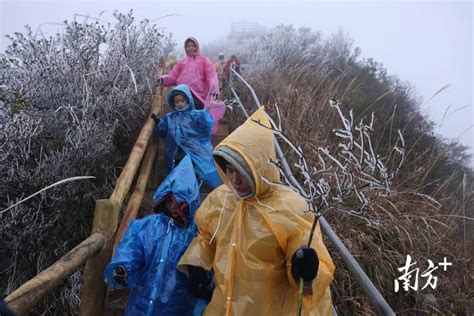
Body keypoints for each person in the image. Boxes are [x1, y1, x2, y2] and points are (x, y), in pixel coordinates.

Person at [177, 107, 335, 315]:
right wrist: (198, 262)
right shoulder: (221, 199)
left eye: (242, 171)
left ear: (260, 167)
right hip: (223, 306)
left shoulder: (290, 209)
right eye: (230, 171)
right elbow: (207, 235)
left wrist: (305, 273)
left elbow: (310, 276)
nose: (235, 180)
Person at [104, 156, 209, 316]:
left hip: (178, 306)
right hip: (141, 304)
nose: (173, 207)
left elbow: (207, 265)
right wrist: (123, 267)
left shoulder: (197, 232)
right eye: (169, 201)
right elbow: (131, 249)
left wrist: (202, 281)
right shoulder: (146, 226)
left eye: (178, 202)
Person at [152, 84, 221, 188]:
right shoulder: (170, 117)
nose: (179, 104)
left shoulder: (195, 115)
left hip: (190, 153)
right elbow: (163, 132)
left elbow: (206, 128)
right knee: (176, 173)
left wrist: (204, 115)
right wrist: (158, 122)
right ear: (173, 102)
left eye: (182, 101)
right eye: (177, 101)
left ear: (188, 100)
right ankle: (179, 193)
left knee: (191, 172)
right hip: (174, 153)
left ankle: (193, 189)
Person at [160, 37, 219, 110]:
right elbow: (173, 77)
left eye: (193, 46)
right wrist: (163, 80)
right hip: (183, 94)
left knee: (196, 115)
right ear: (185, 48)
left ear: (197, 47)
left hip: (198, 95)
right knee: (183, 115)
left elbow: (211, 77)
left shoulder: (204, 61)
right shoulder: (181, 63)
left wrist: (214, 91)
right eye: (188, 46)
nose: (190, 48)